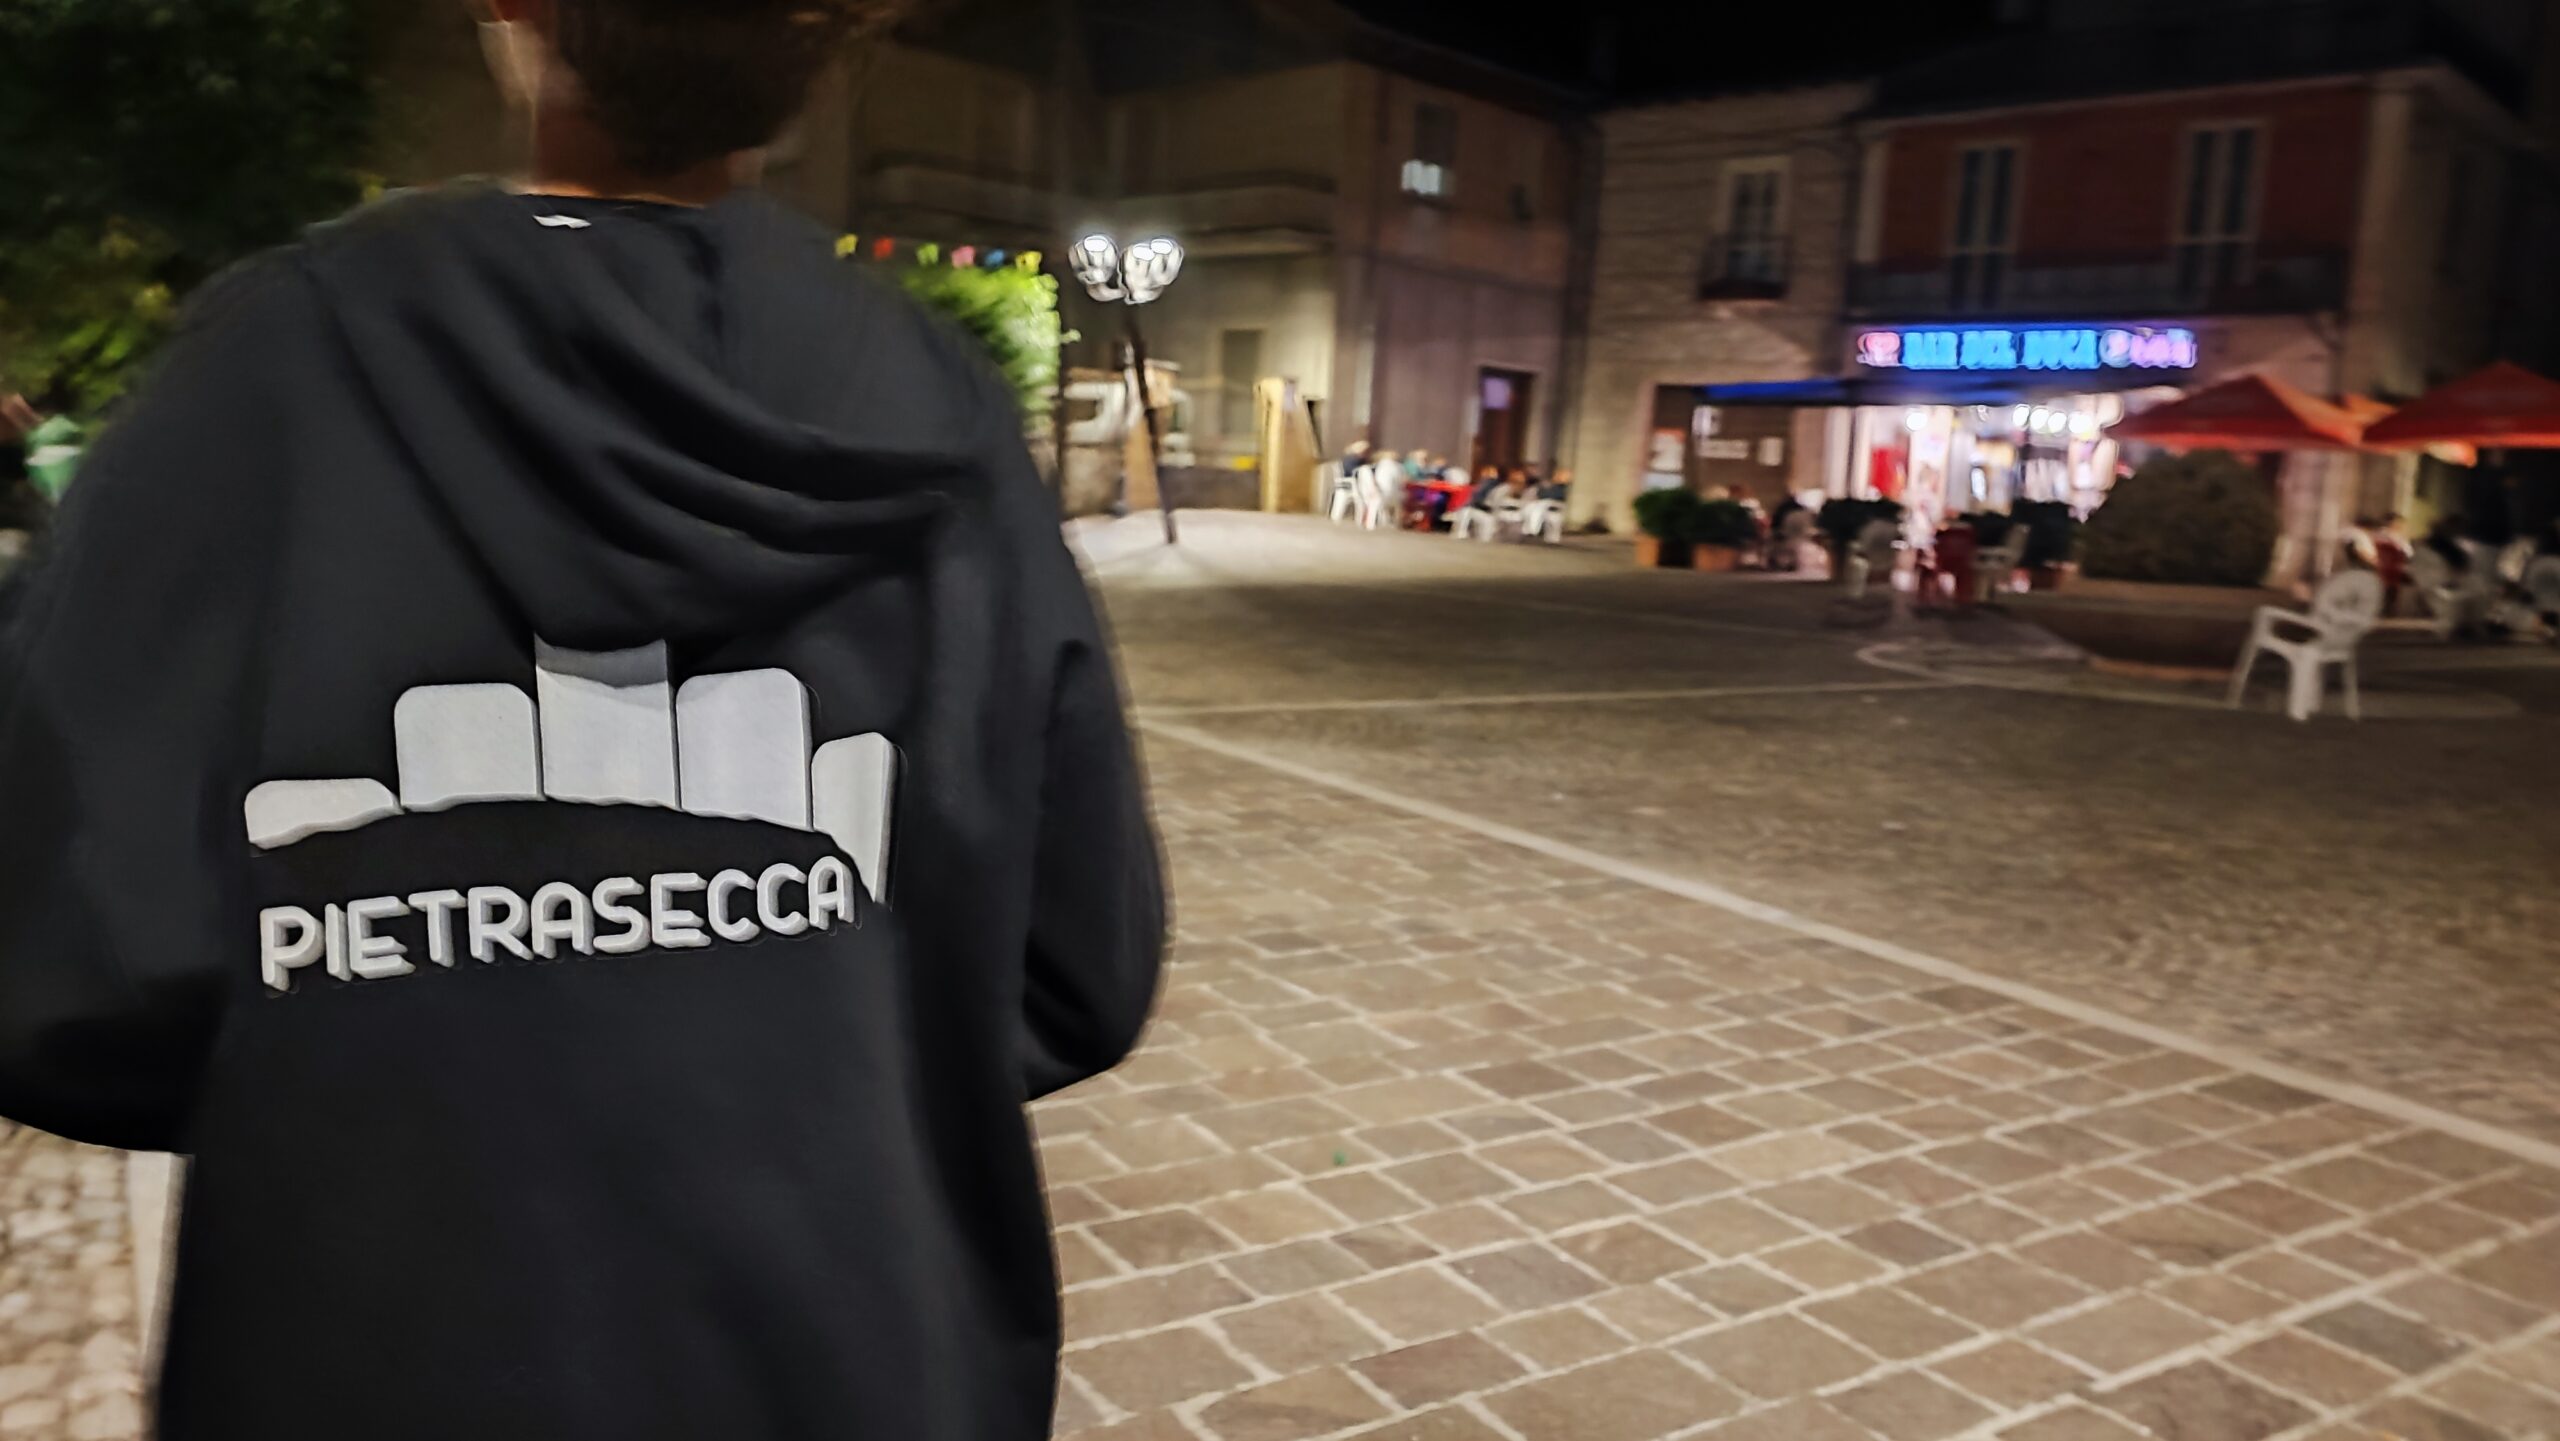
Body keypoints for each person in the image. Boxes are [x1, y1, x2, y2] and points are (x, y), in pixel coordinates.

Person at [0, 3, 1165, 1439]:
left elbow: (61, 956)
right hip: (856, 1356)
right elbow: (1079, 963)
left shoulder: (266, 374)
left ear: (511, 12)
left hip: (377, 1358)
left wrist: (366, 1046)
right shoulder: (933, 401)